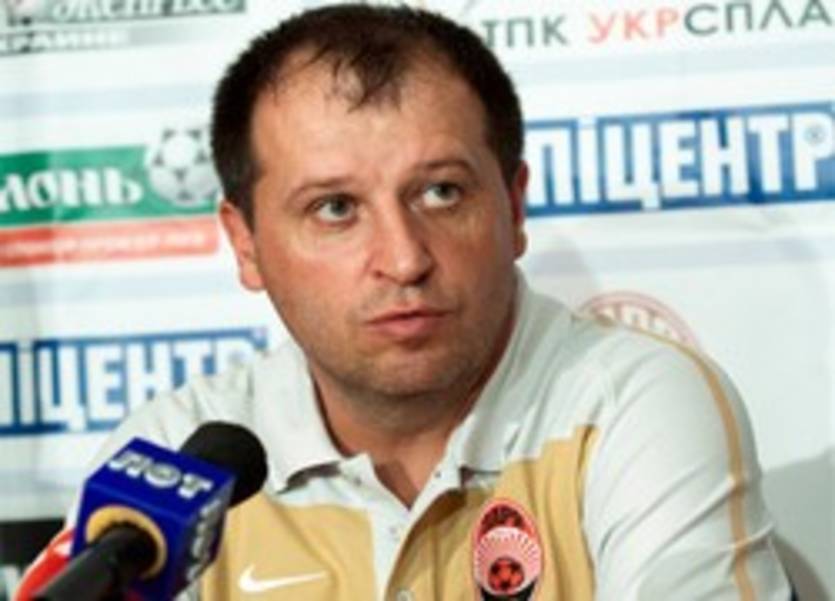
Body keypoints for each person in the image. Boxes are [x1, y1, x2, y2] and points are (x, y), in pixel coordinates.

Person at [20, 4, 792, 600]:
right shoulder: (172, 458)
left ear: (512, 206)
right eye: (334, 208)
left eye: (441, 192)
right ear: (245, 243)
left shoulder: (625, 406)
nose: (403, 258)